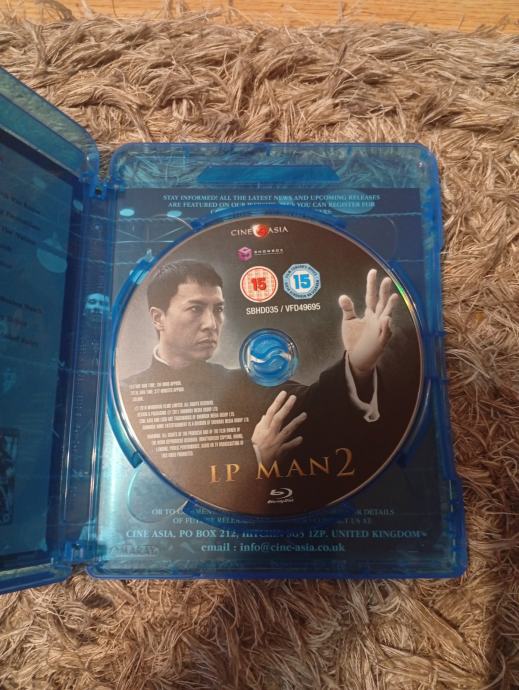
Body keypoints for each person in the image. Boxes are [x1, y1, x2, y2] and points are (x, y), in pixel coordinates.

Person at [120, 260, 403, 514]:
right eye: (195, 309)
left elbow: (314, 404)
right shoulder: (127, 398)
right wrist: (258, 461)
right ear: (158, 318)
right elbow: (148, 500)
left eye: (218, 309)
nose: (211, 324)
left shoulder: (241, 383)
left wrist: (358, 364)